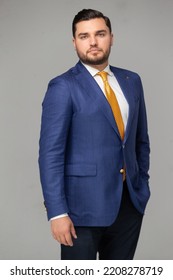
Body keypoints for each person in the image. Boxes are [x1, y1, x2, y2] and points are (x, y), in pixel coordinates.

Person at [38, 9, 150, 260]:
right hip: (80, 210)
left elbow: (140, 140)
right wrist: (57, 213)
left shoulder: (132, 81)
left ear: (111, 37)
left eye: (100, 34)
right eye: (84, 36)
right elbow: (50, 154)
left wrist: (141, 184)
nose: (93, 42)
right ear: (74, 42)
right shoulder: (63, 86)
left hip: (128, 205)